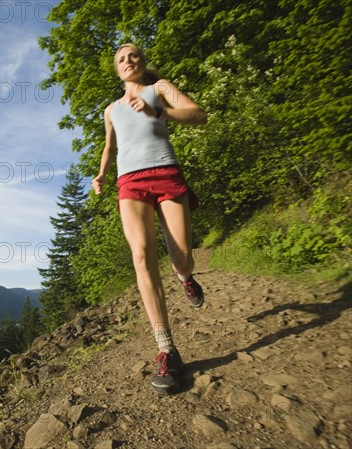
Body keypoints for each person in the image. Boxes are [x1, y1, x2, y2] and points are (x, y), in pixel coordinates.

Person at [92, 43, 207, 394]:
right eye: (121, 58)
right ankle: (166, 348)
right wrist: (100, 174)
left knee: (181, 255)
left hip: (167, 174)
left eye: (134, 56)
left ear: (142, 63)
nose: (128, 60)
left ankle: (184, 276)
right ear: (117, 69)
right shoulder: (111, 109)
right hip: (130, 182)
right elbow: (110, 146)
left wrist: (161, 114)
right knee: (141, 256)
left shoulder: (160, 89)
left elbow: (197, 113)